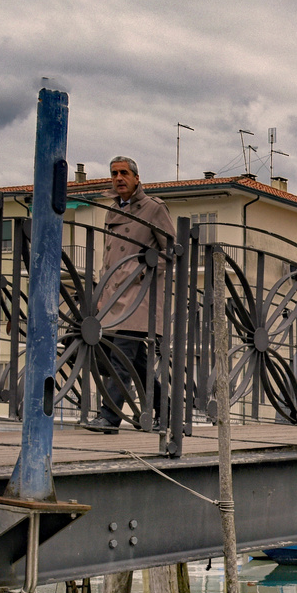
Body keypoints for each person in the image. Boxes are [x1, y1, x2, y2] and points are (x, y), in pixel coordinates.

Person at [85, 156, 175, 433]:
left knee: (120, 358)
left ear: (137, 178)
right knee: (136, 363)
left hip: (140, 297)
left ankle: (109, 417)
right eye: (114, 173)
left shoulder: (154, 208)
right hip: (114, 298)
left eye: (124, 173)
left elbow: (171, 251)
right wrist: (101, 293)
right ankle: (166, 410)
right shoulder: (112, 211)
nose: (118, 178)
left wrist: (141, 270)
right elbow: (108, 258)